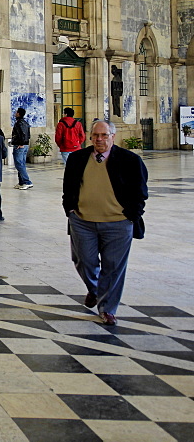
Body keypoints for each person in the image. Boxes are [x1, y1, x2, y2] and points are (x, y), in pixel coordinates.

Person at [62, 120, 148, 326]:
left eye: (104, 135)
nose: (99, 140)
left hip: (118, 223)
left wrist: (131, 216)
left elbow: (140, 193)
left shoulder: (130, 160)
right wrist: (71, 211)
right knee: (84, 261)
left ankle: (107, 308)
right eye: (95, 136)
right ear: (89, 137)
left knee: (113, 267)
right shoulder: (77, 159)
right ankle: (95, 289)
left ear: (113, 136)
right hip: (83, 221)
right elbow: (68, 188)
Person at [11, 107, 33, 189]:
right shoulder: (25, 123)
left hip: (20, 145)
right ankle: (21, 182)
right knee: (22, 164)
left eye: (16, 112)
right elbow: (28, 135)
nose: (15, 113)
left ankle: (27, 181)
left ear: (19, 113)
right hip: (24, 145)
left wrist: (21, 143)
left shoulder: (19, 123)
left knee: (19, 164)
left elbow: (22, 134)